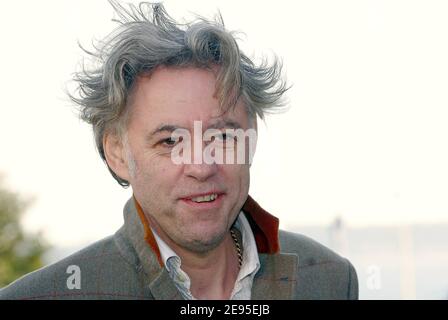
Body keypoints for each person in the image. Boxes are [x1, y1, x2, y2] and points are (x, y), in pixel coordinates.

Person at [0, 1, 358, 300]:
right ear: (117, 153)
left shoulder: (329, 281)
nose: (201, 166)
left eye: (221, 136)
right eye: (170, 141)